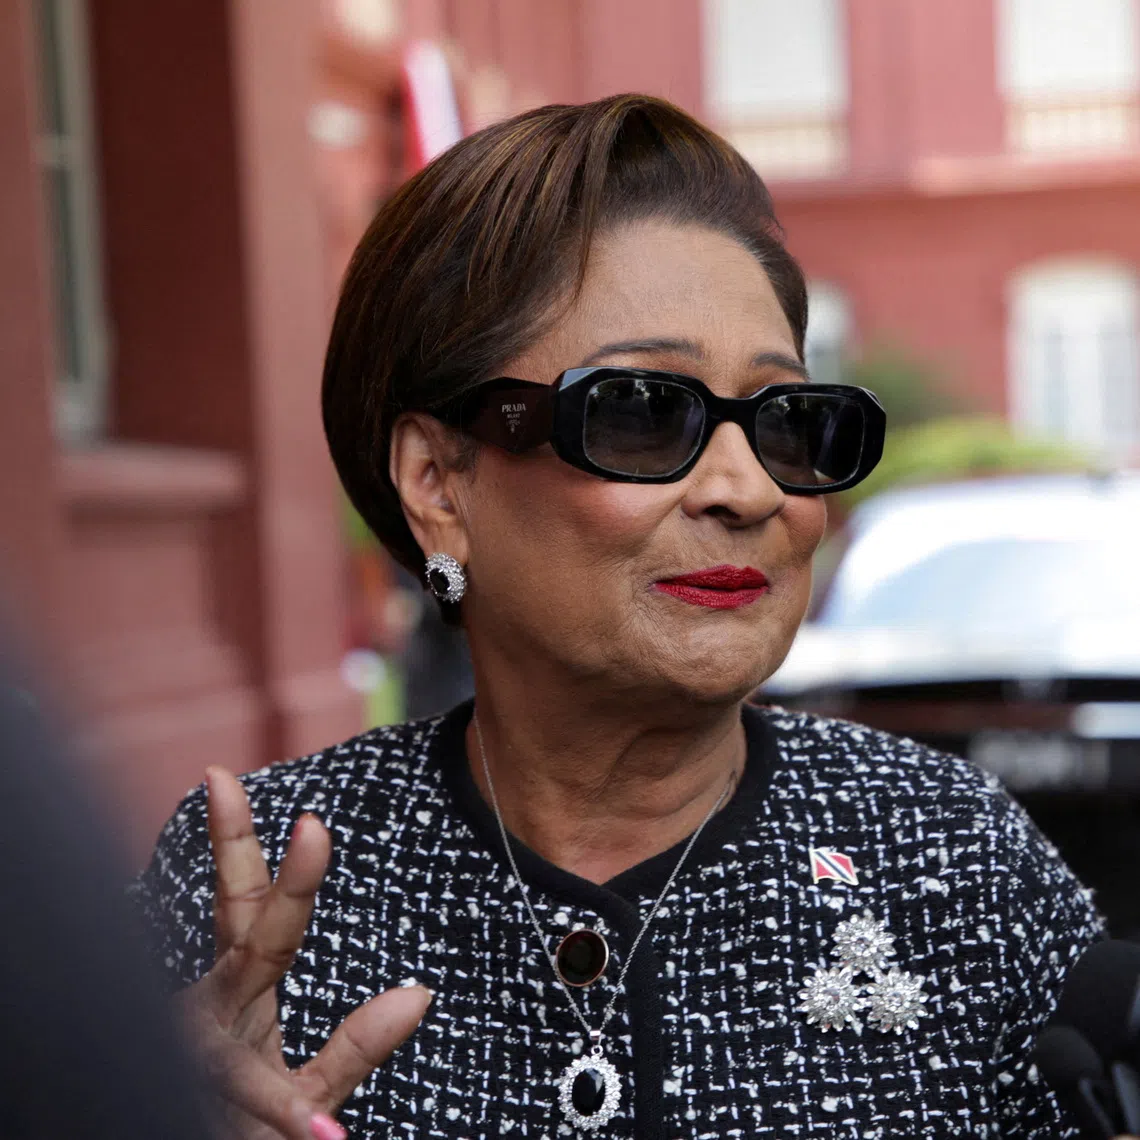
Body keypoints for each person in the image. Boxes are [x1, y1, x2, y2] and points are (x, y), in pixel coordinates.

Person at [133, 94, 1103, 1139]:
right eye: (644, 413)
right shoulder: (253, 890)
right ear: (439, 481)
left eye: (789, 423)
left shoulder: (949, 854)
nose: (749, 489)